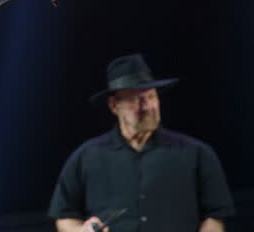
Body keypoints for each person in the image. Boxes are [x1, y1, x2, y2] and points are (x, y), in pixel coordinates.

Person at [48, 54, 235, 232]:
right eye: (136, 99)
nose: (147, 107)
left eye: (151, 97)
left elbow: (214, 217)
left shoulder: (196, 154)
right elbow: (65, 217)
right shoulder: (85, 157)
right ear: (114, 106)